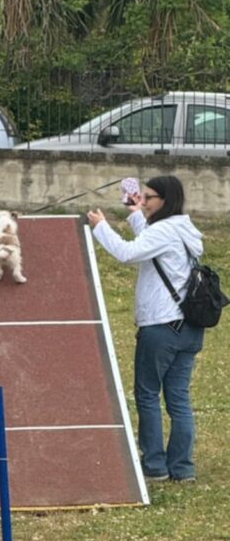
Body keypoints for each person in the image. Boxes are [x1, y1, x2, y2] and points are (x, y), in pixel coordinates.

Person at [87, 175, 204, 483]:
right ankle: (182, 468)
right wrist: (134, 211)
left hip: (160, 328)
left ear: (165, 200)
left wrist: (100, 225)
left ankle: (154, 465)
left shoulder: (165, 230)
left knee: (148, 394)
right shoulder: (185, 229)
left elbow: (127, 253)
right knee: (178, 397)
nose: (145, 200)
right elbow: (148, 242)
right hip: (189, 328)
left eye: (150, 197)